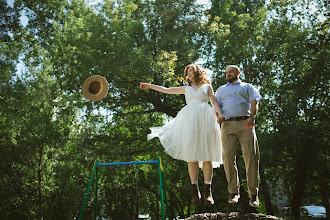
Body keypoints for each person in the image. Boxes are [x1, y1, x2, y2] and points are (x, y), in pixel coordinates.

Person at [140, 64, 223, 206]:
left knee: (207, 155)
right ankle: (194, 189)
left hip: (206, 120)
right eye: (187, 72)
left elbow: (213, 102)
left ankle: (208, 192)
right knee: (192, 157)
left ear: (197, 72)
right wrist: (149, 85)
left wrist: (220, 114)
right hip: (190, 121)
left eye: (190, 71)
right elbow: (165, 90)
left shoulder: (207, 87)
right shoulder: (186, 89)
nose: (188, 74)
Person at [215, 65, 262, 207]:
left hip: (245, 124)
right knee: (227, 157)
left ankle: (253, 194)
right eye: (226, 73)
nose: (228, 74)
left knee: (251, 157)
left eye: (231, 72)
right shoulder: (221, 90)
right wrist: (218, 116)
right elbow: (215, 105)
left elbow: (254, 102)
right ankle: (233, 192)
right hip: (227, 125)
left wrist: (252, 117)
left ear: (238, 73)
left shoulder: (247, 87)